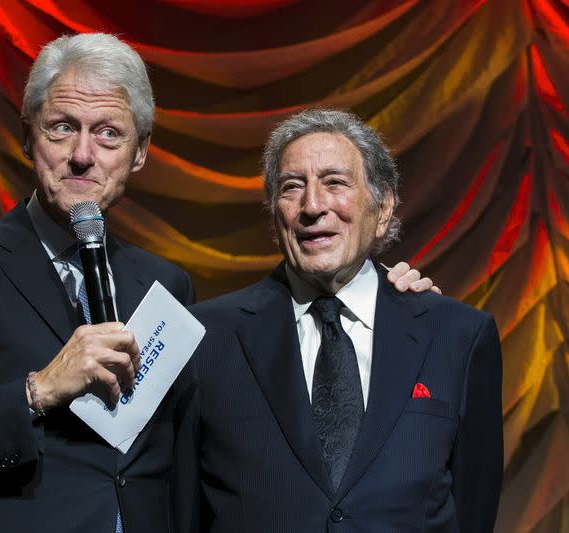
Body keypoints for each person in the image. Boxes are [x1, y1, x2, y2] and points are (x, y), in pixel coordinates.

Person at [0, 34, 435, 532]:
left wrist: (375, 294)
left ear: (138, 155)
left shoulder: (165, 283)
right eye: (61, 128)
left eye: (108, 134)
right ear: (28, 136)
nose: (83, 155)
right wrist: (35, 391)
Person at [174, 108, 503, 532]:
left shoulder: (457, 336)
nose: (313, 206)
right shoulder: (206, 337)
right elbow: (179, 510)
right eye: (293, 187)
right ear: (275, 213)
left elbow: (473, 509)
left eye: (335, 183)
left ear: (382, 207)